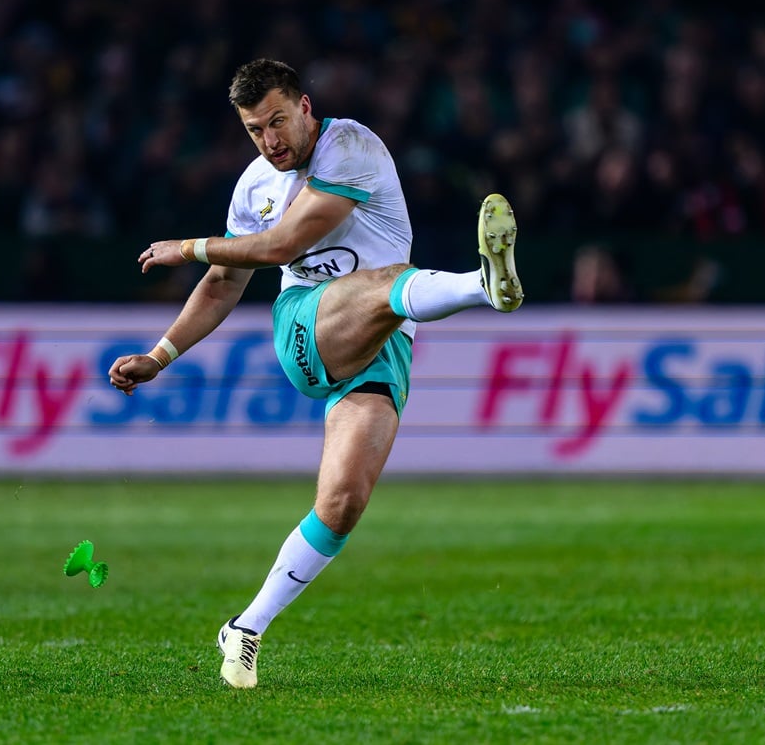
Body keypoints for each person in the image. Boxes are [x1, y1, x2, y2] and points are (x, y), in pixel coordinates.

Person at [106, 58, 523, 689]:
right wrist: (160, 354)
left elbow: (280, 244)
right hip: (304, 325)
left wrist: (187, 247)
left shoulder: (349, 146)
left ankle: (244, 629)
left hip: (381, 346)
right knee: (385, 286)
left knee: (342, 504)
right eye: (254, 129)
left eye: (277, 121)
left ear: (304, 108)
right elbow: (227, 283)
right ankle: (482, 286)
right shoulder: (253, 187)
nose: (270, 140)